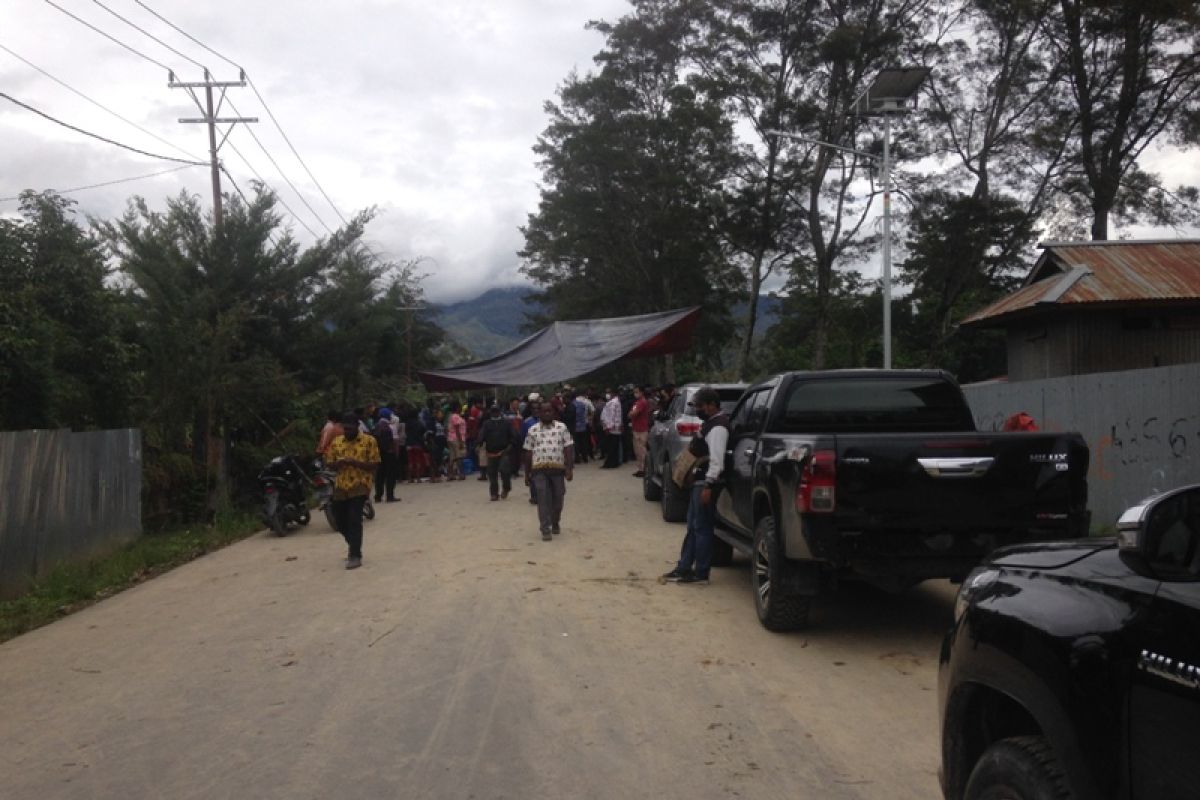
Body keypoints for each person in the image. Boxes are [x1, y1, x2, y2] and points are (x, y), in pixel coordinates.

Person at [663, 387, 730, 585]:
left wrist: (709, 485)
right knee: (693, 526)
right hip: (700, 482)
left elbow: (717, 461)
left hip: (705, 483)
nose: (698, 410)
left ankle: (700, 572)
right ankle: (684, 567)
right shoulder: (710, 423)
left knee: (701, 528)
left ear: (711, 405)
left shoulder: (718, 427)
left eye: (700, 406)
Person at [327, 412, 381, 570]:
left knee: (354, 519)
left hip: (360, 484)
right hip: (341, 484)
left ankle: (355, 555)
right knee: (339, 520)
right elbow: (329, 463)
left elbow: (374, 464)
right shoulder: (337, 442)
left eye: (350, 428)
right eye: (345, 428)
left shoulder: (369, 441)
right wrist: (338, 464)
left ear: (358, 426)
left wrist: (355, 462)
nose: (347, 431)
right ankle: (354, 543)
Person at [523, 403, 574, 541]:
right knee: (543, 498)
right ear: (539, 413)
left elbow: (568, 447)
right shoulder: (532, 430)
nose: (547, 413)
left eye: (549, 411)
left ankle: (555, 521)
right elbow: (528, 452)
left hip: (558, 470)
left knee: (558, 499)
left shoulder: (561, 427)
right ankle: (545, 529)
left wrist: (569, 468)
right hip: (539, 470)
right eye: (544, 411)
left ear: (554, 412)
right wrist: (527, 473)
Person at [479, 403, 516, 500]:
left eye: (496, 411)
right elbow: (481, 436)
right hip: (491, 452)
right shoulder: (486, 424)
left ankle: (506, 488)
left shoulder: (506, 423)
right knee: (492, 474)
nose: (495, 413)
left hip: (504, 451)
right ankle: (494, 493)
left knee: (505, 471)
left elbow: (513, 437)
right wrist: (479, 444)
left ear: (500, 412)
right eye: (493, 411)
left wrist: (510, 447)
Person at [372, 408, 399, 502]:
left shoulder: (376, 426)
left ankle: (378, 496)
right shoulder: (390, 426)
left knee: (380, 475)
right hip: (389, 453)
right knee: (390, 475)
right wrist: (396, 453)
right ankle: (390, 495)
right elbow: (394, 441)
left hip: (378, 453)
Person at [521, 400, 542, 504]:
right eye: (533, 408)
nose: (536, 410)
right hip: (532, 451)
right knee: (533, 474)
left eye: (538, 408)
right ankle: (534, 496)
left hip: (544, 451)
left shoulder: (546, 420)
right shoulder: (526, 422)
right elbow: (524, 438)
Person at [629, 385, 651, 478]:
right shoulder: (637, 402)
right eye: (635, 392)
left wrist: (631, 414)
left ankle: (644, 469)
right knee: (638, 450)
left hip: (641, 429)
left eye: (637, 392)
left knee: (641, 450)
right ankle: (641, 469)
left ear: (641, 392)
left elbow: (633, 413)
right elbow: (631, 413)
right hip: (637, 428)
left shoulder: (642, 402)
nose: (635, 394)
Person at [600, 389, 623, 468]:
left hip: (612, 428)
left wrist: (608, 427)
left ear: (613, 393)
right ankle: (614, 462)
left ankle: (610, 463)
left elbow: (611, 415)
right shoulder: (616, 402)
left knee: (611, 447)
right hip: (615, 427)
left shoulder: (613, 402)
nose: (608, 394)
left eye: (609, 392)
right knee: (614, 446)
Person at [447, 405, 467, 480]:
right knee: (459, 457)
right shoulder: (456, 417)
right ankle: (461, 474)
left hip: (450, 438)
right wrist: (460, 441)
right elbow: (457, 429)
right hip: (456, 438)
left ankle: (450, 475)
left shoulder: (450, 416)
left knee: (452, 457)